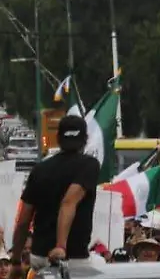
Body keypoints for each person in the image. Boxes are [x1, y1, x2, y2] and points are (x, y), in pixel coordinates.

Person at [12, 114, 99, 269]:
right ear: (85, 139)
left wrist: (16, 259)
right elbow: (68, 203)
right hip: (72, 256)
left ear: (58, 138)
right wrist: (61, 247)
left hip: (39, 256)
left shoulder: (39, 169)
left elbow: (23, 220)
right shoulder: (89, 165)